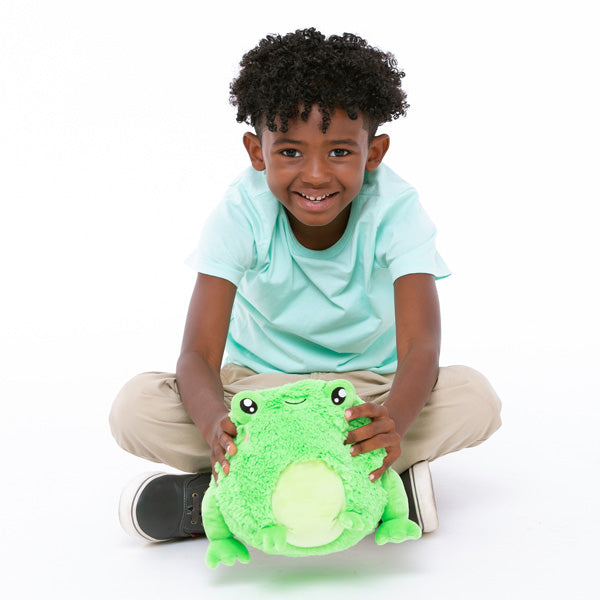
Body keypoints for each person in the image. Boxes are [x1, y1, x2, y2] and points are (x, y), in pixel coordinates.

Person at [110, 28, 501, 544]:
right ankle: (373, 489)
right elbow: (198, 355)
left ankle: (238, 493)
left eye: (339, 151)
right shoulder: (241, 212)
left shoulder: (397, 209)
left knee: (475, 397)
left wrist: (392, 424)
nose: (315, 175)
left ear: (374, 152)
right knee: (136, 407)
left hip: (365, 393)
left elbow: (420, 347)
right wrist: (214, 426)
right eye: (291, 152)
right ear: (257, 151)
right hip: (259, 396)